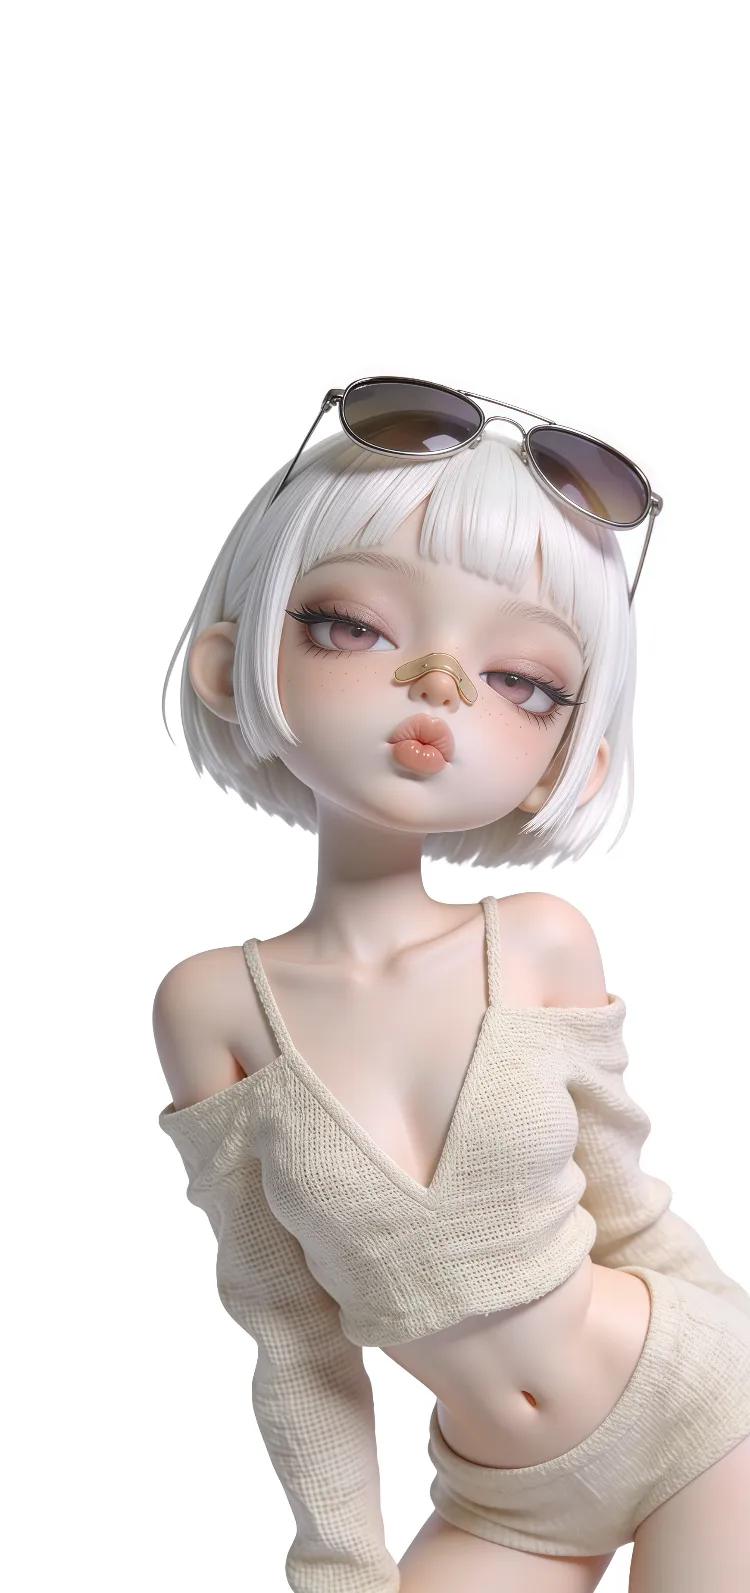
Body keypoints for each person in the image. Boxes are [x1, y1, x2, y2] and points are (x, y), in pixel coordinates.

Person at [154, 381, 750, 1592]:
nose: (439, 685)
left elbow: (629, 1210)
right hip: (506, 1497)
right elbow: (291, 1336)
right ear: (228, 664)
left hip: (703, 1408)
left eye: (522, 680)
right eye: (351, 626)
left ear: (566, 760)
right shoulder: (211, 1011)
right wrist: (340, 1564)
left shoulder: (539, 945)